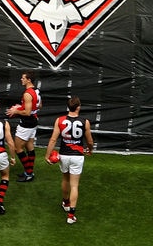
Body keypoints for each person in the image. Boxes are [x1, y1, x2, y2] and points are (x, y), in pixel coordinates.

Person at [44, 96, 94, 224]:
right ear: (78, 107)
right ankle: (71, 215)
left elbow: (53, 140)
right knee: (74, 185)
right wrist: (90, 149)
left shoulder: (60, 120)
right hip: (77, 155)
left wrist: (47, 155)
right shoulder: (85, 121)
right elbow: (89, 141)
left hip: (64, 155)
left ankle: (66, 203)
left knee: (65, 179)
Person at [7, 70, 42, 182]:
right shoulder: (36, 91)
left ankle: (29, 173)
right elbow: (39, 105)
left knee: (18, 148)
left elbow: (27, 112)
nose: (21, 79)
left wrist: (16, 111)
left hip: (26, 123)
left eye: (23, 78)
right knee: (29, 146)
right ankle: (29, 172)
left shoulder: (27, 93)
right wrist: (21, 107)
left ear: (29, 80)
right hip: (33, 121)